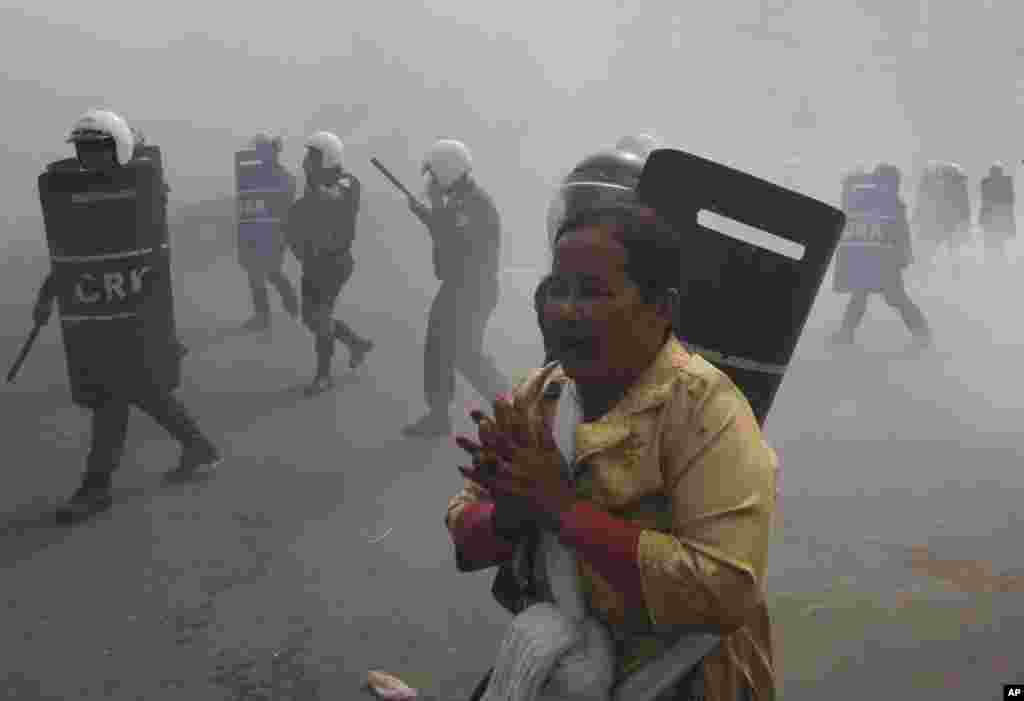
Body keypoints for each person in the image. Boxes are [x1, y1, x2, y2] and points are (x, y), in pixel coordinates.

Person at [449, 200, 778, 701]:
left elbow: (725, 591)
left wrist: (561, 509)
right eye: (558, 289)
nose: (564, 310)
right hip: (559, 667)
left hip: (680, 681)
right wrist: (511, 514)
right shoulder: (537, 399)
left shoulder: (706, 410)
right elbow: (466, 541)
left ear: (661, 307)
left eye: (594, 292)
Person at [34, 109, 222, 525]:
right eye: (83, 151)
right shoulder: (76, 196)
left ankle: (95, 488)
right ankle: (199, 448)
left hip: (136, 317)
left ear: (117, 149)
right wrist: (48, 295)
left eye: (98, 150)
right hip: (96, 320)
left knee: (112, 402)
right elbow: (74, 256)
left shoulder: (140, 191)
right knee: (146, 393)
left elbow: (150, 253)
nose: (88, 159)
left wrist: (164, 330)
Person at [402, 139, 510, 437]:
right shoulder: (462, 201)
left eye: (433, 175)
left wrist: (430, 212)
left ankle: (514, 410)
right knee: (438, 348)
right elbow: (448, 233)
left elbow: (452, 242)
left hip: (472, 289)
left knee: (466, 354)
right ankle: (438, 416)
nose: (430, 181)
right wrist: (428, 214)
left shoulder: (472, 204)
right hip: (459, 287)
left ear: (448, 172)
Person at [284, 130, 374, 396]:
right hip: (314, 264)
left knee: (321, 319)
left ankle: (324, 376)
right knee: (312, 319)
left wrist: (312, 195)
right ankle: (355, 342)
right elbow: (295, 227)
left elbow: (334, 196)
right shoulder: (309, 191)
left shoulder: (347, 182)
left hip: (335, 263)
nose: (305, 162)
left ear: (328, 158)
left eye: (311, 157)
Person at [830, 163, 932, 347]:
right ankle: (921, 333)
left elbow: (853, 226)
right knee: (887, 297)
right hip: (881, 258)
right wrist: (904, 255)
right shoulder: (891, 202)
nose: (896, 184)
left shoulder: (864, 198)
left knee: (871, 296)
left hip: (872, 257)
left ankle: (921, 332)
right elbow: (901, 232)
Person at [238, 132, 300, 332]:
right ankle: (264, 316)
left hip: (274, 234)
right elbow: (246, 205)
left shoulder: (284, 177)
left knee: (271, 272)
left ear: (272, 153)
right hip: (255, 233)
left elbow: (283, 207)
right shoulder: (252, 177)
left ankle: (288, 301)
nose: (258, 155)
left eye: (261, 151)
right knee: (256, 274)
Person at [978, 161, 1015, 262]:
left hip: (994, 218)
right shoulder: (1006, 183)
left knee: (994, 244)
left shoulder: (987, 183)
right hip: (996, 218)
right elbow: (1010, 202)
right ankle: (997, 263)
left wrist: (981, 219)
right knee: (997, 244)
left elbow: (984, 201)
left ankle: (995, 263)